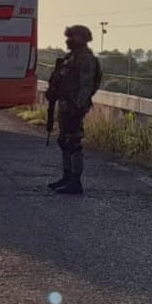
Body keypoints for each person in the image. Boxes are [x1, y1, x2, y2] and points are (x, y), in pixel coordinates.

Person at [47, 25, 102, 194]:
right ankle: (67, 176)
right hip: (65, 104)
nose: (69, 40)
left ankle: (75, 181)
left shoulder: (85, 58)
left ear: (83, 38)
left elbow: (87, 85)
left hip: (74, 105)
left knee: (73, 142)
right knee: (64, 140)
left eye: (73, 36)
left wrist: (79, 106)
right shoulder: (71, 57)